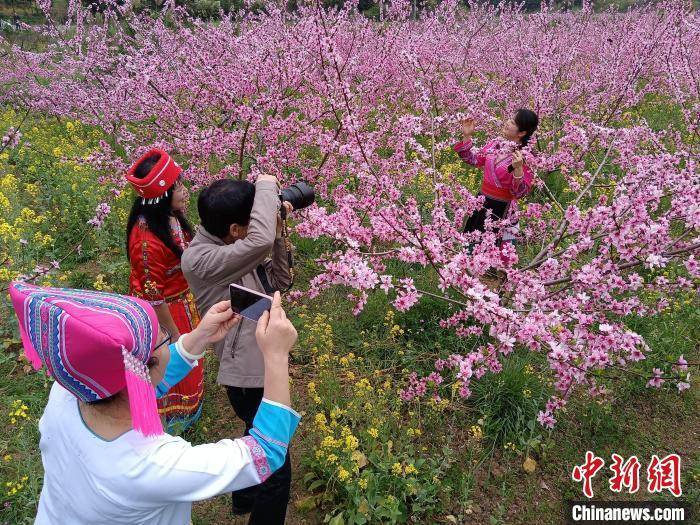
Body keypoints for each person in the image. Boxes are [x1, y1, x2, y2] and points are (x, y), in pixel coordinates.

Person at [8, 281, 299, 525]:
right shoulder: (152, 466)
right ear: (148, 365)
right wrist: (276, 355)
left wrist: (198, 338)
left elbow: (135, 382)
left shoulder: (71, 390)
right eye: (164, 338)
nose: (169, 337)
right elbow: (265, 452)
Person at [181, 175, 294, 522]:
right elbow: (257, 243)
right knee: (277, 466)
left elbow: (280, 282)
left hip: (263, 357)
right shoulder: (200, 259)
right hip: (247, 371)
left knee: (254, 432)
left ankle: (243, 497)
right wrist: (267, 183)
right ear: (234, 229)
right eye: (253, 221)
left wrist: (276, 232)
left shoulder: (234, 246)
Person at [125, 149, 204, 433]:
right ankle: (172, 424)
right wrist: (173, 333)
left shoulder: (169, 219)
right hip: (165, 313)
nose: (184, 191)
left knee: (191, 355)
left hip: (181, 302)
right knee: (176, 359)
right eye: (178, 187)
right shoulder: (146, 242)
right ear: (160, 196)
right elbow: (153, 296)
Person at [454, 109, 539, 243]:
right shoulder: (495, 144)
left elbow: (520, 192)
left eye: (512, 122)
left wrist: (518, 170)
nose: (507, 123)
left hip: (503, 209)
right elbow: (473, 160)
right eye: (509, 119)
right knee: (471, 247)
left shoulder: (527, 157)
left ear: (522, 133)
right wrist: (467, 136)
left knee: (496, 253)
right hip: (481, 203)